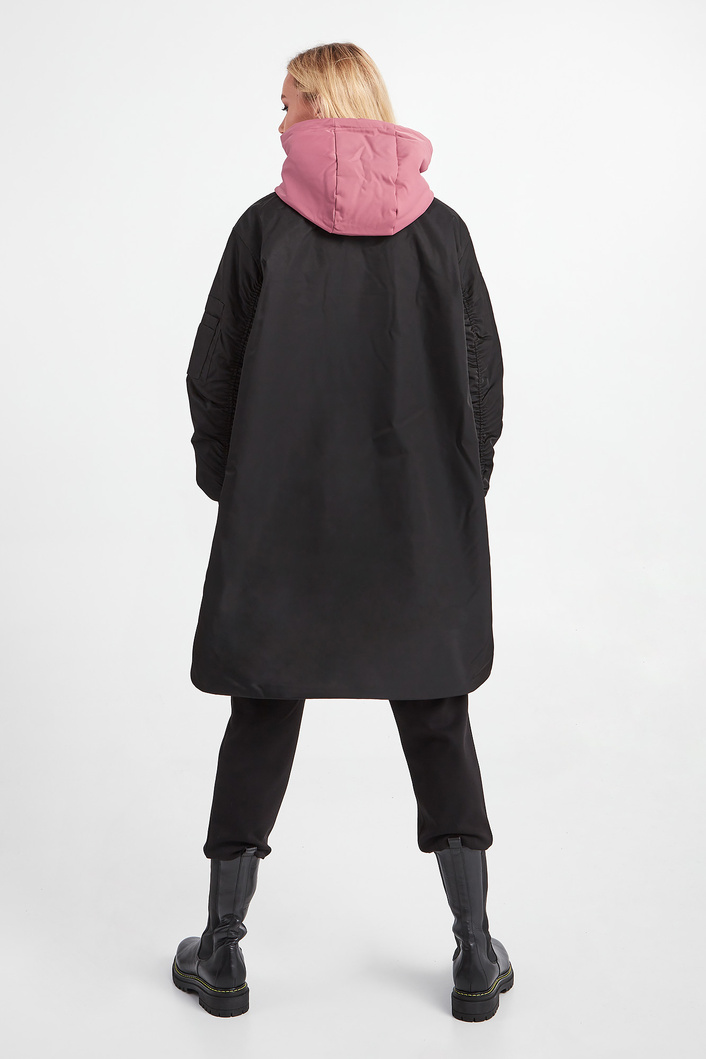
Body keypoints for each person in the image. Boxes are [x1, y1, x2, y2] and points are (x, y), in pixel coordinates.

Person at [172, 42, 513, 1023]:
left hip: (284, 519)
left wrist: (237, 489)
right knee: (438, 713)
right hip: (418, 526)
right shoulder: (444, 234)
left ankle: (222, 952)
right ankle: (474, 953)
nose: (277, 119)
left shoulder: (263, 231)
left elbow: (212, 376)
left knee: (262, 707)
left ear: (319, 103)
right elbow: (483, 383)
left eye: (286, 101)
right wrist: (456, 494)